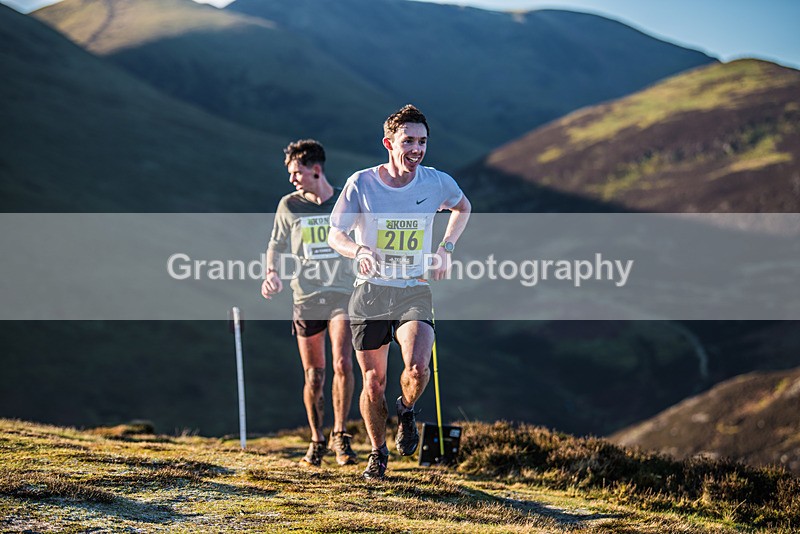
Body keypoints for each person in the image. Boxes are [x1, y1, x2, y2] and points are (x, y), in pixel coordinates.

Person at [328, 105, 471, 479]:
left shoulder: (435, 182)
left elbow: (462, 206)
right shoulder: (361, 183)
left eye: (423, 141)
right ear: (389, 143)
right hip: (370, 293)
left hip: (413, 290)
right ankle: (378, 453)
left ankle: (406, 410)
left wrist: (445, 249)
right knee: (372, 383)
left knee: (417, 369)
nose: (417, 149)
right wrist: (357, 250)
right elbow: (335, 234)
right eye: (409, 141)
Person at [262, 139, 358, 467]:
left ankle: (341, 437)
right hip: (305, 297)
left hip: (343, 294)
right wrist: (271, 273)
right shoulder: (289, 205)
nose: (292, 179)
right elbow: (275, 244)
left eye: (296, 172)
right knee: (314, 375)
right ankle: (317, 440)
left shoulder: (347, 200)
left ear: (316, 170)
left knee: (343, 364)